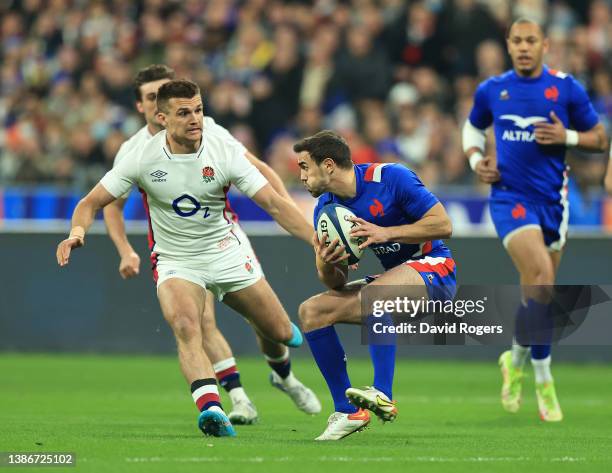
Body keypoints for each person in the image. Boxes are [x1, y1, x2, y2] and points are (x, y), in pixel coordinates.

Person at [57, 79, 319, 437]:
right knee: (186, 325)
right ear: (162, 117)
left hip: (225, 250)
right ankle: (212, 408)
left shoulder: (220, 148)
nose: (195, 119)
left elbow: (273, 203)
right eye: (184, 113)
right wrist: (77, 233)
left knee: (280, 331)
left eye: (198, 109)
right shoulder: (140, 156)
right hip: (177, 259)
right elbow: (91, 203)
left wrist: (315, 241)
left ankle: (282, 373)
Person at [462, 18, 608, 422]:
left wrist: (569, 138)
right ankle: (544, 378)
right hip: (510, 199)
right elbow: (471, 128)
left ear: (545, 45)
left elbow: (600, 138)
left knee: (539, 294)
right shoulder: (493, 90)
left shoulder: (565, 88)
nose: (524, 47)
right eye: (517, 41)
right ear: (508, 46)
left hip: (552, 204)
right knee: (541, 277)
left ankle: (515, 358)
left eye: (531, 40)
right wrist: (477, 161)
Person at [294, 130, 455, 440]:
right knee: (312, 311)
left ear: (328, 165)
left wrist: (386, 233)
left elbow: (443, 225)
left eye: (304, 166)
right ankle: (347, 410)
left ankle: (382, 392)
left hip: (436, 270)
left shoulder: (392, 177)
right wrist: (324, 259)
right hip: (395, 279)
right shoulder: (325, 208)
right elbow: (335, 280)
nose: (300, 176)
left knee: (374, 295)